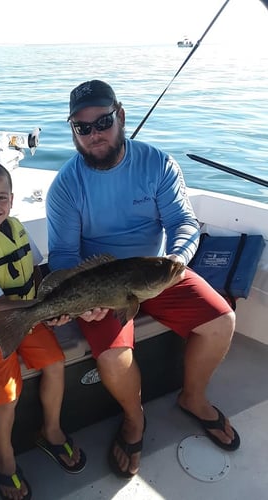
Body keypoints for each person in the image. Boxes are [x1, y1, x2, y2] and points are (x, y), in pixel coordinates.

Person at [46, 80, 240, 479]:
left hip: (157, 269)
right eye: (83, 128)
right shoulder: (66, 185)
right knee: (115, 359)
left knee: (222, 321)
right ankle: (135, 419)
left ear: (120, 116)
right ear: (73, 132)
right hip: (102, 287)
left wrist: (176, 258)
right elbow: (65, 256)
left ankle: (193, 398)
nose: (94, 134)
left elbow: (183, 222)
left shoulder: (158, 163)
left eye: (102, 121)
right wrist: (84, 301)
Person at [0, 159, 86, 500]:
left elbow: (36, 270)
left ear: (11, 199)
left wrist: (51, 307)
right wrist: (52, 311)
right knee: (7, 396)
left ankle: (51, 431)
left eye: (1, 198)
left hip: (28, 316)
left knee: (55, 362)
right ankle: (5, 460)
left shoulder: (17, 227)